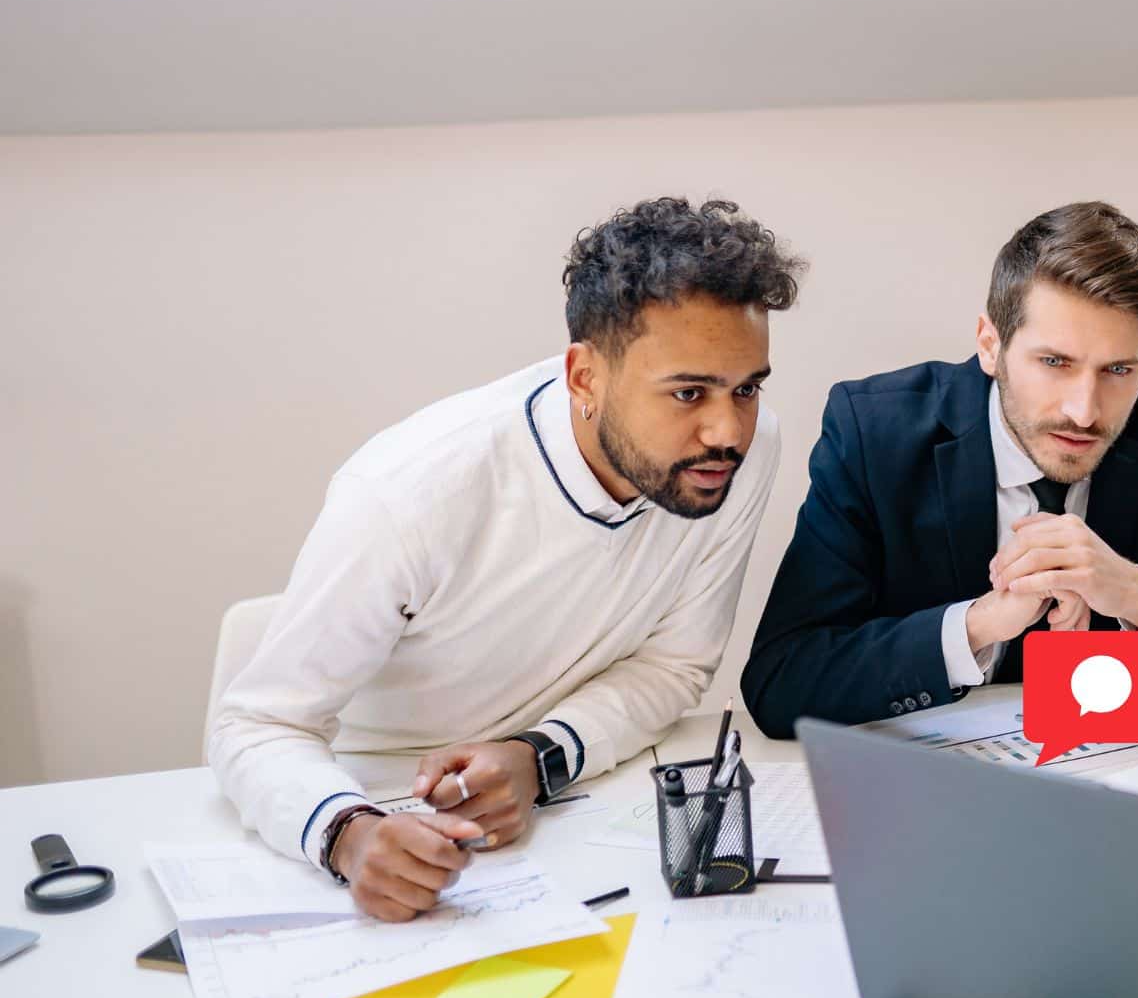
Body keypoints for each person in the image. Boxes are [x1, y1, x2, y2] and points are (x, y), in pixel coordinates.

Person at [208, 197, 802, 923]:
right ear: (585, 377)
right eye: (688, 392)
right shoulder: (411, 490)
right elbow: (256, 726)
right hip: (373, 808)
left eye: (746, 388)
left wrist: (538, 757)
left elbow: (674, 666)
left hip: (567, 807)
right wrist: (348, 837)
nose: (727, 428)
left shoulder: (738, 450)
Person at [741, 201, 1138, 736]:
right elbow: (781, 680)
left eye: (1119, 370)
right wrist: (976, 627)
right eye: (1055, 363)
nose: (1084, 410)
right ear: (991, 345)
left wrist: (1133, 590)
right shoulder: (875, 432)